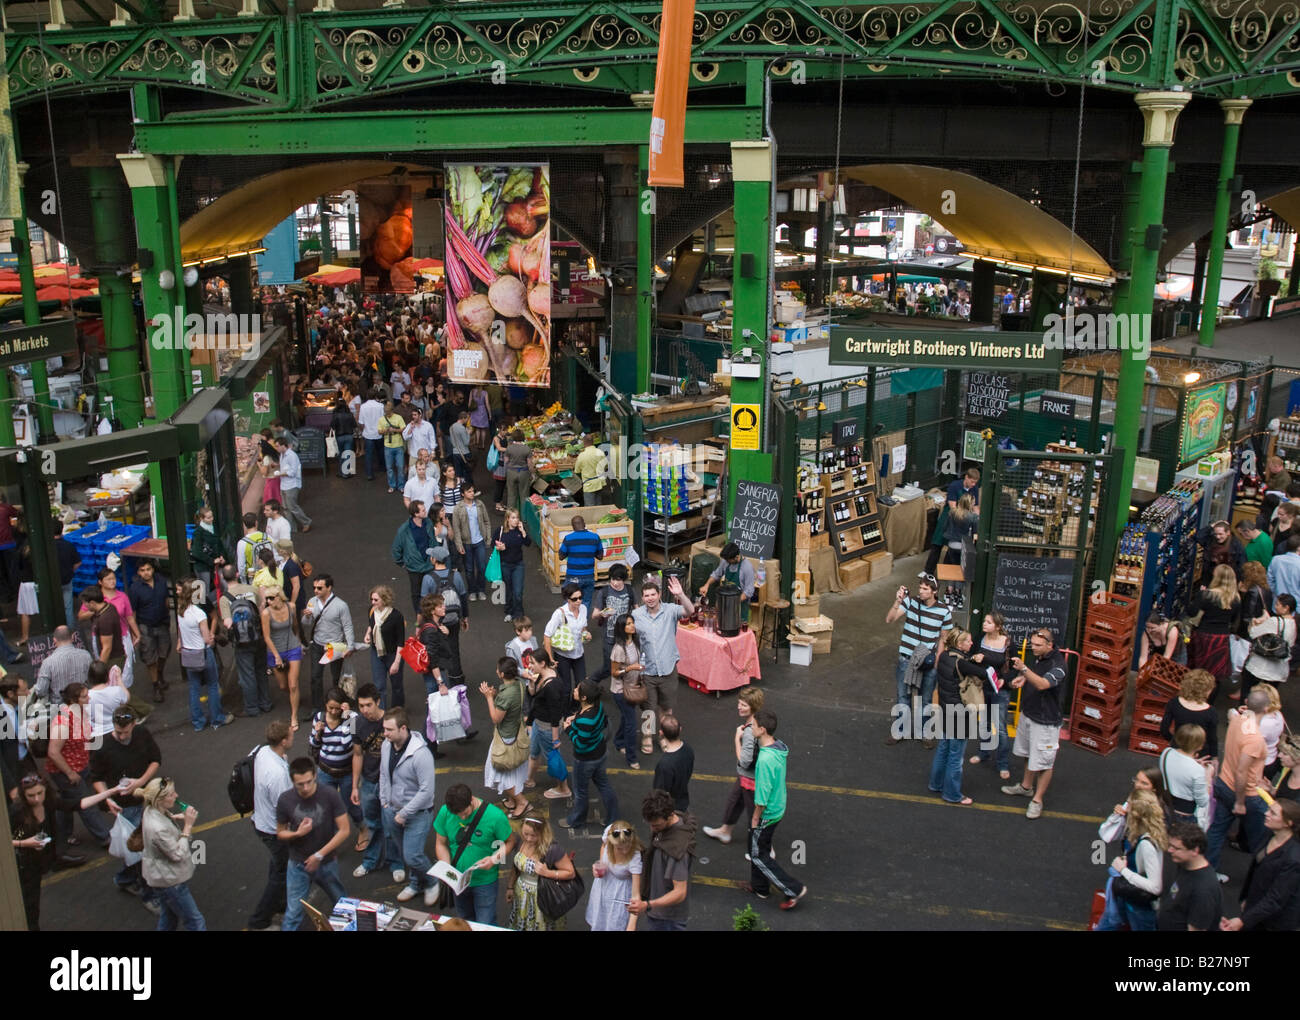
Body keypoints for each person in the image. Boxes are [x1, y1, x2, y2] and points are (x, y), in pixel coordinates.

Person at [10, 774, 121, 930]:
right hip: (21, 865)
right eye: (31, 795)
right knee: (27, 904)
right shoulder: (16, 812)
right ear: (23, 795)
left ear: (45, 790)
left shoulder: (49, 802)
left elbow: (79, 804)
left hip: (39, 863)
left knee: (33, 905)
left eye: (39, 793)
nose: (36, 799)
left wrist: (110, 792)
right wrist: (25, 843)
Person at [88, 706, 162, 910]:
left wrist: (140, 782)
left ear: (134, 725)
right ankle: (149, 895)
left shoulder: (142, 733)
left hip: (146, 799)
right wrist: (107, 798)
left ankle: (125, 878)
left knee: (140, 850)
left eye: (126, 732)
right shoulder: (101, 745)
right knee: (142, 852)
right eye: (118, 732)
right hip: (125, 808)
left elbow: (155, 760)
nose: (122, 736)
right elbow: (96, 778)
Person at [742, 709, 808, 910]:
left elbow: (761, 796)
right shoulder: (778, 748)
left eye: (752, 725)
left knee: (757, 854)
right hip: (779, 806)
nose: (749, 727)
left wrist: (755, 818)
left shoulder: (764, 760)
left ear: (762, 730)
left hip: (767, 813)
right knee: (761, 847)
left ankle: (793, 888)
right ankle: (760, 888)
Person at [276, 756, 350, 932]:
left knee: (343, 906)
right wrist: (297, 833)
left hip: (326, 862)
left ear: (315, 775)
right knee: (293, 914)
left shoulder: (330, 795)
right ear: (292, 780)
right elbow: (280, 832)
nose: (306, 788)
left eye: (309, 782)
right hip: (298, 863)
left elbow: (344, 830)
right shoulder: (285, 800)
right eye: (300, 784)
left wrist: (319, 855)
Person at [1001, 628, 1067, 819]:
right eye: (1032, 644)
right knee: (1028, 753)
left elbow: (1043, 684)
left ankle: (1037, 800)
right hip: (1029, 714)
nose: (1033, 648)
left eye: (1038, 645)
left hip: (1046, 722)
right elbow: (1034, 678)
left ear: (1050, 645)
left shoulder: (1059, 665)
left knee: (1045, 762)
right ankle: (1026, 786)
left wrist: (1023, 669)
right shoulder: (1040, 658)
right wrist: (1024, 678)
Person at [377, 707, 438, 905]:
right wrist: (384, 801)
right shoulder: (387, 746)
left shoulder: (421, 755)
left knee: (413, 855)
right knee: (406, 853)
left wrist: (404, 813)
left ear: (403, 728)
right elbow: (384, 775)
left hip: (417, 814)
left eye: (388, 730)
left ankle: (431, 882)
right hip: (392, 810)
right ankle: (415, 883)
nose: (384, 734)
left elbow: (426, 792)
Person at [45, 684, 114, 854]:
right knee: (86, 803)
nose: (89, 698)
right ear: (73, 700)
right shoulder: (63, 721)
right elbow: (53, 752)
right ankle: (105, 837)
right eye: (84, 696)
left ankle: (62, 835)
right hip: (67, 772)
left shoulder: (80, 713)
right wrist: (70, 773)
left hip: (79, 767)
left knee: (67, 802)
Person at [434, 782, 516, 926]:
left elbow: (509, 842)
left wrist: (494, 859)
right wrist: (446, 868)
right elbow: (440, 843)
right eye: (458, 815)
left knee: (485, 923)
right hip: (458, 881)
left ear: (471, 799)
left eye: (465, 813)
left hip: (485, 882)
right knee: (464, 921)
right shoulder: (445, 812)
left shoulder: (495, 817)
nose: (463, 818)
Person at [884, 575, 952, 748]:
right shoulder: (911, 602)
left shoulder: (944, 611)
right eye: (920, 588)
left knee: (926, 699)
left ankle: (925, 733)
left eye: (925, 589)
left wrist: (937, 661)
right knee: (903, 696)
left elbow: (944, 638)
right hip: (907, 657)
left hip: (928, 662)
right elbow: (890, 619)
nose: (921, 591)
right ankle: (901, 731)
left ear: (934, 592)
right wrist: (897, 602)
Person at [1207, 690, 1271, 871]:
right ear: (1266, 709)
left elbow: (1230, 713)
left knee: (1216, 831)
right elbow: (1242, 771)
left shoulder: (1237, 720)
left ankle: (1208, 871)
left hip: (1223, 784)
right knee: (1262, 840)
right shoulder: (1255, 740)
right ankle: (1262, 876)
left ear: (1246, 702)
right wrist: (1241, 802)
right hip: (1246, 794)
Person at [632, 576, 695, 756]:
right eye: (646, 595)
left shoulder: (670, 610)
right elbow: (631, 637)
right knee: (648, 708)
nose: (650, 598)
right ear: (642, 598)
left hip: (668, 670)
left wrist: (681, 594)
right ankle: (646, 737)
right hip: (648, 672)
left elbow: (689, 611)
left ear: (659, 595)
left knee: (666, 708)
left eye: (653, 594)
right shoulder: (637, 616)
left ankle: (664, 735)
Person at [138, 777, 205, 931]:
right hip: (170, 882)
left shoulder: (152, 810)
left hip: (160, 878)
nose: (176, 796)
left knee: (169, 917)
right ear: (159, 799)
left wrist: (173, 819)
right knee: (195, 922)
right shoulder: (158, 828)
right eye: (171, 794)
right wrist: (187, 826)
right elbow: (177, 854)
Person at [1220, 800, 1300, 930]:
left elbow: (1276, 898)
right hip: (1257, 905)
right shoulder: (1270, 834)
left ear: (1288, 823)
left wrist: (1243, 920)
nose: (1266, 813)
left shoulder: (1293, 858)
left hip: (1275, 920)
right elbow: (1256, 870)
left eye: (1273, 813)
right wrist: (1248, 899)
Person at [1093, 789, 1166, 931]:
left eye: (1129, 806)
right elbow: (1106, 834)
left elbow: (1156, 887)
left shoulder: (1146, 844)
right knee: (1107, 924)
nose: (1125, 808)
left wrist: (1123, 870)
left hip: (1138, 904)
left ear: (1135, 815)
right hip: (1126, 893)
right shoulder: (1147, 832)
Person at [703, 686, 765, 847]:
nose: (739, 707)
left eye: (743, 705)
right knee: (735, 802)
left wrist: (737, 739)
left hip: (751, 778)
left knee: (755, 814)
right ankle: (725, 831)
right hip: (747, 776)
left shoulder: (750, 732)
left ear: (753, 707)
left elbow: (744, 761)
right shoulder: (757, 721)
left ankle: (764, 848)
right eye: (739, 703)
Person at [930, 628, 985, 806]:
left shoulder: (945, 656)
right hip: (960, 715)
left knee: (943, 748)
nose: (971, 643)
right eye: (968, 641)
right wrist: (979, 662)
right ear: (959, 644)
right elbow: (983, 674)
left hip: (946, 710)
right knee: (956, 757)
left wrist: (971, 659)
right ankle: (952, 794)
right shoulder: (962, 664)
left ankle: (936, 784)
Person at [350, 686, 399, 878]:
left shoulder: (392, 720)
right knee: (372, 824)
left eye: (368, 705)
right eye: (361, 705)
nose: (364, 710)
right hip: (369, 781)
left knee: (391, 824)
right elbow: (357, 754)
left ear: (378, 702)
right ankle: (371, 861)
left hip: (390, 783)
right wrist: (355, 785)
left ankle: (396, 863)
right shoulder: (355, 723)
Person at [249, 720, 294, 930]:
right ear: (284, 741)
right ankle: (260, 919)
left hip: (261, 819)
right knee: (280, 874)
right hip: (273, 829)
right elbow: (284, 807)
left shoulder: (261, 751)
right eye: (290, 735)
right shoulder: (278, 775)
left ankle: (280, 904)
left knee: (277, 865)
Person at [629, 788, 695, 931]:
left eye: (656, 825)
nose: (652, 829)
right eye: (650, 824)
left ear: (670, 815)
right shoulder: (672, 821)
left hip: (667, 918)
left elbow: (680, 892)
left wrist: (648, 904)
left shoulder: (677, 849)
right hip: (659, 912)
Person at [563, 679, 620, 831]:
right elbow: (600, 724)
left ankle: (577, 820)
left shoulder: (585, 720)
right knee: (604, 784)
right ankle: (613, 818)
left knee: (580, 791)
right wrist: (575, 718)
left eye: (577, 689)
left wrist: (568, 729)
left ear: (584, 698)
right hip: (600, 752)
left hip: (585, 760)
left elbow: (580, 744)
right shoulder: (597, 706)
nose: (574, 690)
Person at [177, 577, 232, 732]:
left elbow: (181, 634)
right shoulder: (199, 613)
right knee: (212, 685)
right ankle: (217, 718)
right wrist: (213, 639)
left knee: (194, 688)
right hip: (204, 652)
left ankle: (198, 721)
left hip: (189, 654)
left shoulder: (181, 612)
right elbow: (207, 638)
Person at [218, 565, 271, 718]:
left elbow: (228, 622)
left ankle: (252, 708)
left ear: (223, 577)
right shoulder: (252, 589)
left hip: (241, 642)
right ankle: (266, 703)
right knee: (261, 670)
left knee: (247, 675)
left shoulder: (224, 598)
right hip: (258, 637)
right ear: (236, 574)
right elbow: (262, 610)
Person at [309, 687, 364, 833]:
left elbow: (347, 744)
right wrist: (317, 734)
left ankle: (362, 828)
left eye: (337, 708)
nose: (333, 712)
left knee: (351, 804)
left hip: (346, 772)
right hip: (325, 771)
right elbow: (314, 745)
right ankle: (330, 837)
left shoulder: (351, 718)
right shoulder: (319, 718)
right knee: (326, 807)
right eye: (330, 708)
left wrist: (347, 717)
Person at [968, 610, 1014, 779]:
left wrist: (1005, 680)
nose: (984, 624)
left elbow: (1015, 666)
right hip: (982, 687)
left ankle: (1003, 763)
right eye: (985, 621)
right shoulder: (980, 638)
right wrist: (974, 658)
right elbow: (969, 657)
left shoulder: (1007, 643)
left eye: (988, 622)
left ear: (998, 626)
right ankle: (983, 752)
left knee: (1001, 728)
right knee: (984, 723)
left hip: (1000, 690)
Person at [480, 659, 529, 817]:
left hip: (505, 738)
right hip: (517, 732)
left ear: (502, 674)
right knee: (512, 771)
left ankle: (521, 801)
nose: (496, 671)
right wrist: (496, 695)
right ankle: (512, 799)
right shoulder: (519, 684)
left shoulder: (506, 695)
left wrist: (489, 698)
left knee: (498, 772)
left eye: (497, 670)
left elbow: (496, 718)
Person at [301, 573, 354, 717]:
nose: (316, 591)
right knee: (315, 676)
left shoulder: (341, 605)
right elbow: (306, 623)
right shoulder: (312, 601)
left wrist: (350, 646)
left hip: (334, 646)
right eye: (314, 588)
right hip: (318, 644)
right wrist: (306, 616)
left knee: (337, 677)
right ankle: (317, 708)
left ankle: (338, 706)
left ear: (329, 588)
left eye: (319, 588)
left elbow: (347, 626)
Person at [526, 648, 573, 800]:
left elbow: (555, 713)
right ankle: (530, 779)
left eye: (532, 663)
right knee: (533, 752)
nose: (530, 666)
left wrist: (555, 739)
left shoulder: (552, 685)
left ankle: (563, 788)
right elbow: (533, 695)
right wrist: (531, 682)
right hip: (538, 723)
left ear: (542, 663)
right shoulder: (542, 675)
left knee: (554, 758)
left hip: (547, 728)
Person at [1157, 823, 1222, 931]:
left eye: (1176, 848)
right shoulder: (1184, 865)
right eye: (1170, 846)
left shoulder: (1204, 889)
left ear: (1195, 850)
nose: (1170, 850)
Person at [419, 549, 468, 686]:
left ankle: (441, 682)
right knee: (454, 649)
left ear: (434, 559)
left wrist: (419, 625)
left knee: (436, 652)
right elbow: (463, 597)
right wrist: (464, 617)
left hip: (437, 623)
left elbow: (423, 604)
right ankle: (457, 681)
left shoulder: (428, 578)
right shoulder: (456, 575)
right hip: (453, 620)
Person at [128, 560, 173, 705]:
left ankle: (160, 673)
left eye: (148, 569)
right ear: (138, 572)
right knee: (149, 657)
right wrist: (135, 633)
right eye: (142, 570)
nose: (146, 572)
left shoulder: (161, 583)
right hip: (145, 626)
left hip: (162, 623)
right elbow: (132, 613)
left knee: (164, 652)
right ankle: (156, 685)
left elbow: (166, 601)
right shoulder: (135, 589)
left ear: (153, 570)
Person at [586, 821, 644, 932]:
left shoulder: (635, 858)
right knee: (599, 921)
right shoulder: (610, 832)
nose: (625, 851)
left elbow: (636, 896)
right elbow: (603, 846)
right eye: (619, 848)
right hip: (602, 889)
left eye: (627, 847)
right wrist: (600, 863)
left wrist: (631, 925)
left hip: (619, 897)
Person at [262, 586, 303, 732]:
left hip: (292, 647)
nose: (268, 601)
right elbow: (266, 636)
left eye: (271, 598)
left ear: (279, 597)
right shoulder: (266, 613)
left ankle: (294, 716)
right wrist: (277, 656)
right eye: (267, 598)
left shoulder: (291, 607)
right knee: (283, 686)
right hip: (275, 650)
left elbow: (296, 625)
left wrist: (298, 641)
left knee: (293, 685)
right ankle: (295, 697)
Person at [925, 468, 980, 575]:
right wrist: (966, 517)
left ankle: (947, 571)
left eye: (975, 482)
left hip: (963, 520)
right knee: (938, 543)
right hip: (950, 517)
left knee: (953, 546)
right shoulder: (955, 486)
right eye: (972, 481)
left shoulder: (975, 489)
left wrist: (977, 518)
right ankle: (928, 571)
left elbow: (976, 507)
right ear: (966, 478)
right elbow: (952, 507)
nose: (973, 484)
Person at [1241, 595, 1296, 702]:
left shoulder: (1275, 621)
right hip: (1279, 670)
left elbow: (1253, 633)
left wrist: (1255, 622)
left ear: (1286, 608)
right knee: (1268, 700)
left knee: (1247, 696)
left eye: (1278, 604)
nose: (1275, 606)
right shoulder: (1293, 623)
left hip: (1260, 667)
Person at [608, 613, 644, 769]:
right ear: (622, 628)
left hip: (633, 686)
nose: (632, 626)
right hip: (621, 690)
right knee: (631, 722)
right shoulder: (618, 649)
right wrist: (630, 668)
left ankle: (618, 741)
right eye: (628, 624)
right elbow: (614, 672)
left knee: (626, 716)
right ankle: (631, 757)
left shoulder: (634, 642)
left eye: (632, 623)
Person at [1159, 669, 1220, 762]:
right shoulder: (1211, 712)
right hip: (1200, 754)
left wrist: (1174, 741)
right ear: (1206, 691)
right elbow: (1212, 738)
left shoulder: (1175, 702)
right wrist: (1214, 757)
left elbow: (1164, 729)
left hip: (1179, 748)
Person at [545, 581, 592, 696]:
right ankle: (564, 711)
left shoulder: (583, 609)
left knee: (581, 685)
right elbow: (547, 636)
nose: (579, 601)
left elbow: (583, 628)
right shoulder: (559, 613)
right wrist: (550, 658)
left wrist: (586, 634)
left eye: (580, 597)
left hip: (578, 653)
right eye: (575, 599)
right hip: (563, 655)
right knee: (566, 687)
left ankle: (576, 710)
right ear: (567, 599)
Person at [1160, 725, 1211, 828]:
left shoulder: (1166, 753)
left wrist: (1194, 763)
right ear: (1200, 746)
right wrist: (1208, 777)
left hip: (1164, 807)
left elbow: (1179, 766)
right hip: (1184, 815)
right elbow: (1203, 802)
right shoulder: (1197, 770)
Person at [392, 501, 437, 617]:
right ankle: (420, 614)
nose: (425, 511)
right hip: (414, 568)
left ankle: (432, 612)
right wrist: (402, 563)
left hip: (429, 564)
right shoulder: (404, 530)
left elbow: (433, 540)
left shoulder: (428, 523)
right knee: (416, 592)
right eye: (422, 510)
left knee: (432, 589)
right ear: (416, 514)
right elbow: (396, 548)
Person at [365, 585, 405, 709]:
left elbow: (401, 642)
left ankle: (397, 710)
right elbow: (372, 625)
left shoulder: (396, 616)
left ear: (384, 599)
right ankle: (381, 713)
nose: (373, 602)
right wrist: (368, 634)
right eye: (372, 599)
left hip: (393, 654)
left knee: (396, 685)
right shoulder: (372, 611)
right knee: (379, 686)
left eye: (376, 600)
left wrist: (397, 663)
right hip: (376, 652)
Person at [32, 624, 93, 705]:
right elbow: (92, 681)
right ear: (72, 637)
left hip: (59, 708)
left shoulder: (48, 663)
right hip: (84, 704)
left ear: (54, 640)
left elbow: (41, 691)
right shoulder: (86, 655)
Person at [452, 482, 492, 602]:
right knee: (469, 569)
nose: (472, 493)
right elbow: (456, 528)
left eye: (473, 491)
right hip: (466, 543)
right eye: (469, 491)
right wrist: (459, 544)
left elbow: (487, 522)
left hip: (479, 541)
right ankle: (472, 591)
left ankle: (481, 589)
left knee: (482, 567)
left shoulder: (479, 505)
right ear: (462, 494)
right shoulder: (458, 508)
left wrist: (488, 537)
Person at [697, 543, 756, 623]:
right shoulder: (725, 561)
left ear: (737, 557)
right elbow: (716, 574)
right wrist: (706, 585)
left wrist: (733, 602)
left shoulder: (747, 568)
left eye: (728, 560)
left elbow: (749, 591)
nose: (726, 562)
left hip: (739, 607)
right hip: (725, 604)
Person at [494, 507, 532, 624]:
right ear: (507, 519)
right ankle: (509, 611)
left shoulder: (520, 531)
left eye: (517, 518)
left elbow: (528, 543)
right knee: (509, 590)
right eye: (513, 518)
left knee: (518, 591)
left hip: (518, 565)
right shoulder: (500, 531)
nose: (516, 520)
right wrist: (499, 547)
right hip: (505, 564)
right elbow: (493, 544)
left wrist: (523, 532)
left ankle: (519, 614)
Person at [558, 515, 604, 610]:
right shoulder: (595, 537)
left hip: (572, 577)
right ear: (584, 524)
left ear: (573, 527)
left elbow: (561, 556)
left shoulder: (568, 538)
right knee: (585, 602)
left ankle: (569, 622)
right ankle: (583, 623)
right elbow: (600, 556)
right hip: (589, 576)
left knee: (569, 601)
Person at [652, 713, 695, 813]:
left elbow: (659, 793)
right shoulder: (688, 749)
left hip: (671, 810)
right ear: (680, 729)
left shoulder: (664, 765)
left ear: (661, 733)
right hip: (683, 802)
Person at [275, 436, 313, 534]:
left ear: (284, 445)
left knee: (292, 507)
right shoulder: (282, 455)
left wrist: (279, 474)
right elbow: (285, 467)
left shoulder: (292, 456)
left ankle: (306, 522)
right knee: (285, 508)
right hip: (283, 484)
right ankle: (291, 528)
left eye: (278, 446)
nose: (277, 448)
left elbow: (292, 472)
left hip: (292, 485)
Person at [188, 507, 229, 590]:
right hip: (203, 567)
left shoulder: (214, 529)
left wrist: (222, 556)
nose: (211, 519)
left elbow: (220, 545)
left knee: (224, 586)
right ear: (201, 519)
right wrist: (212, 561)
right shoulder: (198, 533)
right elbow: (197, 552)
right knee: (204, 592)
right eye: (208, 518)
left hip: (216, 565)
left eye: (212, 516)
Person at [1197, 519, 1245, 586]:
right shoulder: (1211, 540)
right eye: (1216, 534)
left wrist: (1237, 582)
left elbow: (1242, 564)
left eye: (1220, 534)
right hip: (1210, 578)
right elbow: (1198, 537)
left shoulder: (1236, 544)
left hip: (1227, 580)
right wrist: (1212, 525)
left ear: (1228, 533)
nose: (1218, 537)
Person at [52, 519, 81, 626]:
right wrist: (70, 571)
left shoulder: (48, 547)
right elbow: (78, 563)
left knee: (53, 607)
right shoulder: (68, 545)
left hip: (52, 583)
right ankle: (71, 632)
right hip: (66, 580)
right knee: (68, 608)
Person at [379, 399, 407, 494]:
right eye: (386, 413)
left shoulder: (398, 418)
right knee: (389, 467)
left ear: (392, 411)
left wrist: (394, 430)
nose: (387, 414)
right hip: (388, 445)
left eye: (389, 412)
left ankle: (401, 485)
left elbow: (403, 428)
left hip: (398, 445)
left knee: (400, 466)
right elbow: (379, 431)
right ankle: (392, 485)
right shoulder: (382, 419)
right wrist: (386, 430)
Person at [503, 429, 534, 513]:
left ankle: (510, 516)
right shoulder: (527, 449)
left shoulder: (509, 448)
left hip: (511, 472)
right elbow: (529, 464)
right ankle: (524, 517)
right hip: (523, 472)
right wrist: (532, 473)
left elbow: (505, 461)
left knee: (511, 495)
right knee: (524, 495)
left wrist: (507, 472)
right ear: (523, 437)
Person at [358, 388, 386, 481]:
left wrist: (364, 429)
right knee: (380, 451)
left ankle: (369, 473)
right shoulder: (381, 406)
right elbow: (383, 419)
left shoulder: (363, 407)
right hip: (379, 433)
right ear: (376, 396)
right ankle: (382, 467)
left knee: (369, 454)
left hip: (368, 433)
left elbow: (361, 422)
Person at [573, 433, 608, 506]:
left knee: (590, 508)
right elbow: (606, 466)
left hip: (589, 485)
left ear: (584, 443)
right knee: (599, 505)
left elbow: (577, 471)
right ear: (593, 442)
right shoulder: (600, 452)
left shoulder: (582, 455)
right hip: (600, 483)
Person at [236, 512, 271, 584]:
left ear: (244, 525)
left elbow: (241, 566)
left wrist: (244, 581)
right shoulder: (267, 537)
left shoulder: (242, 543)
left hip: (254, 579)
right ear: (256, 522)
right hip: (270, 575)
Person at [1267, 531, 1300, 599]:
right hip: (1297, 605)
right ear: (1298, 548)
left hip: (1278, 603)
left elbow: (1269, 581)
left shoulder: (1275, 560)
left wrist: (1276, 593)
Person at [329, 398, 357, 478]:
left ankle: (341, 472)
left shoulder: (335, 415)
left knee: (341, 454)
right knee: (348, 454)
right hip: (349, 436)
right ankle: (346, 472)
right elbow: (354, 425)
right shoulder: (350, 414)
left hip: (339, 436)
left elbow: (332, 426)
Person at [490, 422, 510, 512]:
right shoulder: (496, 438)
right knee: (499, 484)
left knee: (503, 484)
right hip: (499, 464)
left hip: (505, 463)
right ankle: (497, 504)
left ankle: (500, 502)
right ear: (499, 430)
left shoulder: (505, 437)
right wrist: (510, 449)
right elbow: (499, 448)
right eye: (504, 430)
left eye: (506, 430)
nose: (505, 432)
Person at [449, 410, 473, 482]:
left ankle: (459, 488)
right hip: (464, 452)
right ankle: (468, 488)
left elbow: (452, 441)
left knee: (458, 473)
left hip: (455, 452)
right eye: (467, 419)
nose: (467, 420)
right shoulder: (462, 428)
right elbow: (466, 442)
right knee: (467, 472)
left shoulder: (452, 427)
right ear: (463, 418)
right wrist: (468, 433)